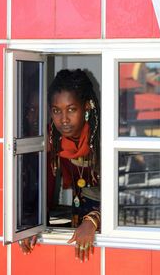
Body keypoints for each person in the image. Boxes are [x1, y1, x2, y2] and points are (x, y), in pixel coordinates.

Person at [18, 69, 101, 262]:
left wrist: (93, 221)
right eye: (56, 110)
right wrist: (32, 221)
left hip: (111, 226)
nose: (63, 119)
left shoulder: (104, 138)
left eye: (71, 109)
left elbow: (125, 197)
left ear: (87, 107)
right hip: (77, 225)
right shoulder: (53, 139)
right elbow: (43, 187)